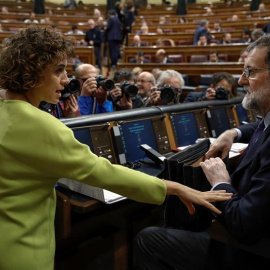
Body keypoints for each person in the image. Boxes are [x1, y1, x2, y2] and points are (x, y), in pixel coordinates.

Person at [0, 25, 232, 270]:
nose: (67, 80)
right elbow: (104, 172)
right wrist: (176, 188)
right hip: (25, 248)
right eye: (59, 70)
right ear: (32, 73)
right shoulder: (42, 125)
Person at [135, 35, 270, 270]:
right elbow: (259, 127)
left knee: (148, 238)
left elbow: (244, 225)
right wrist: (233, 133)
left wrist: (220, 183)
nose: (240, 81)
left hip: (250, 252)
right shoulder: (265, 122)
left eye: (250, 72)